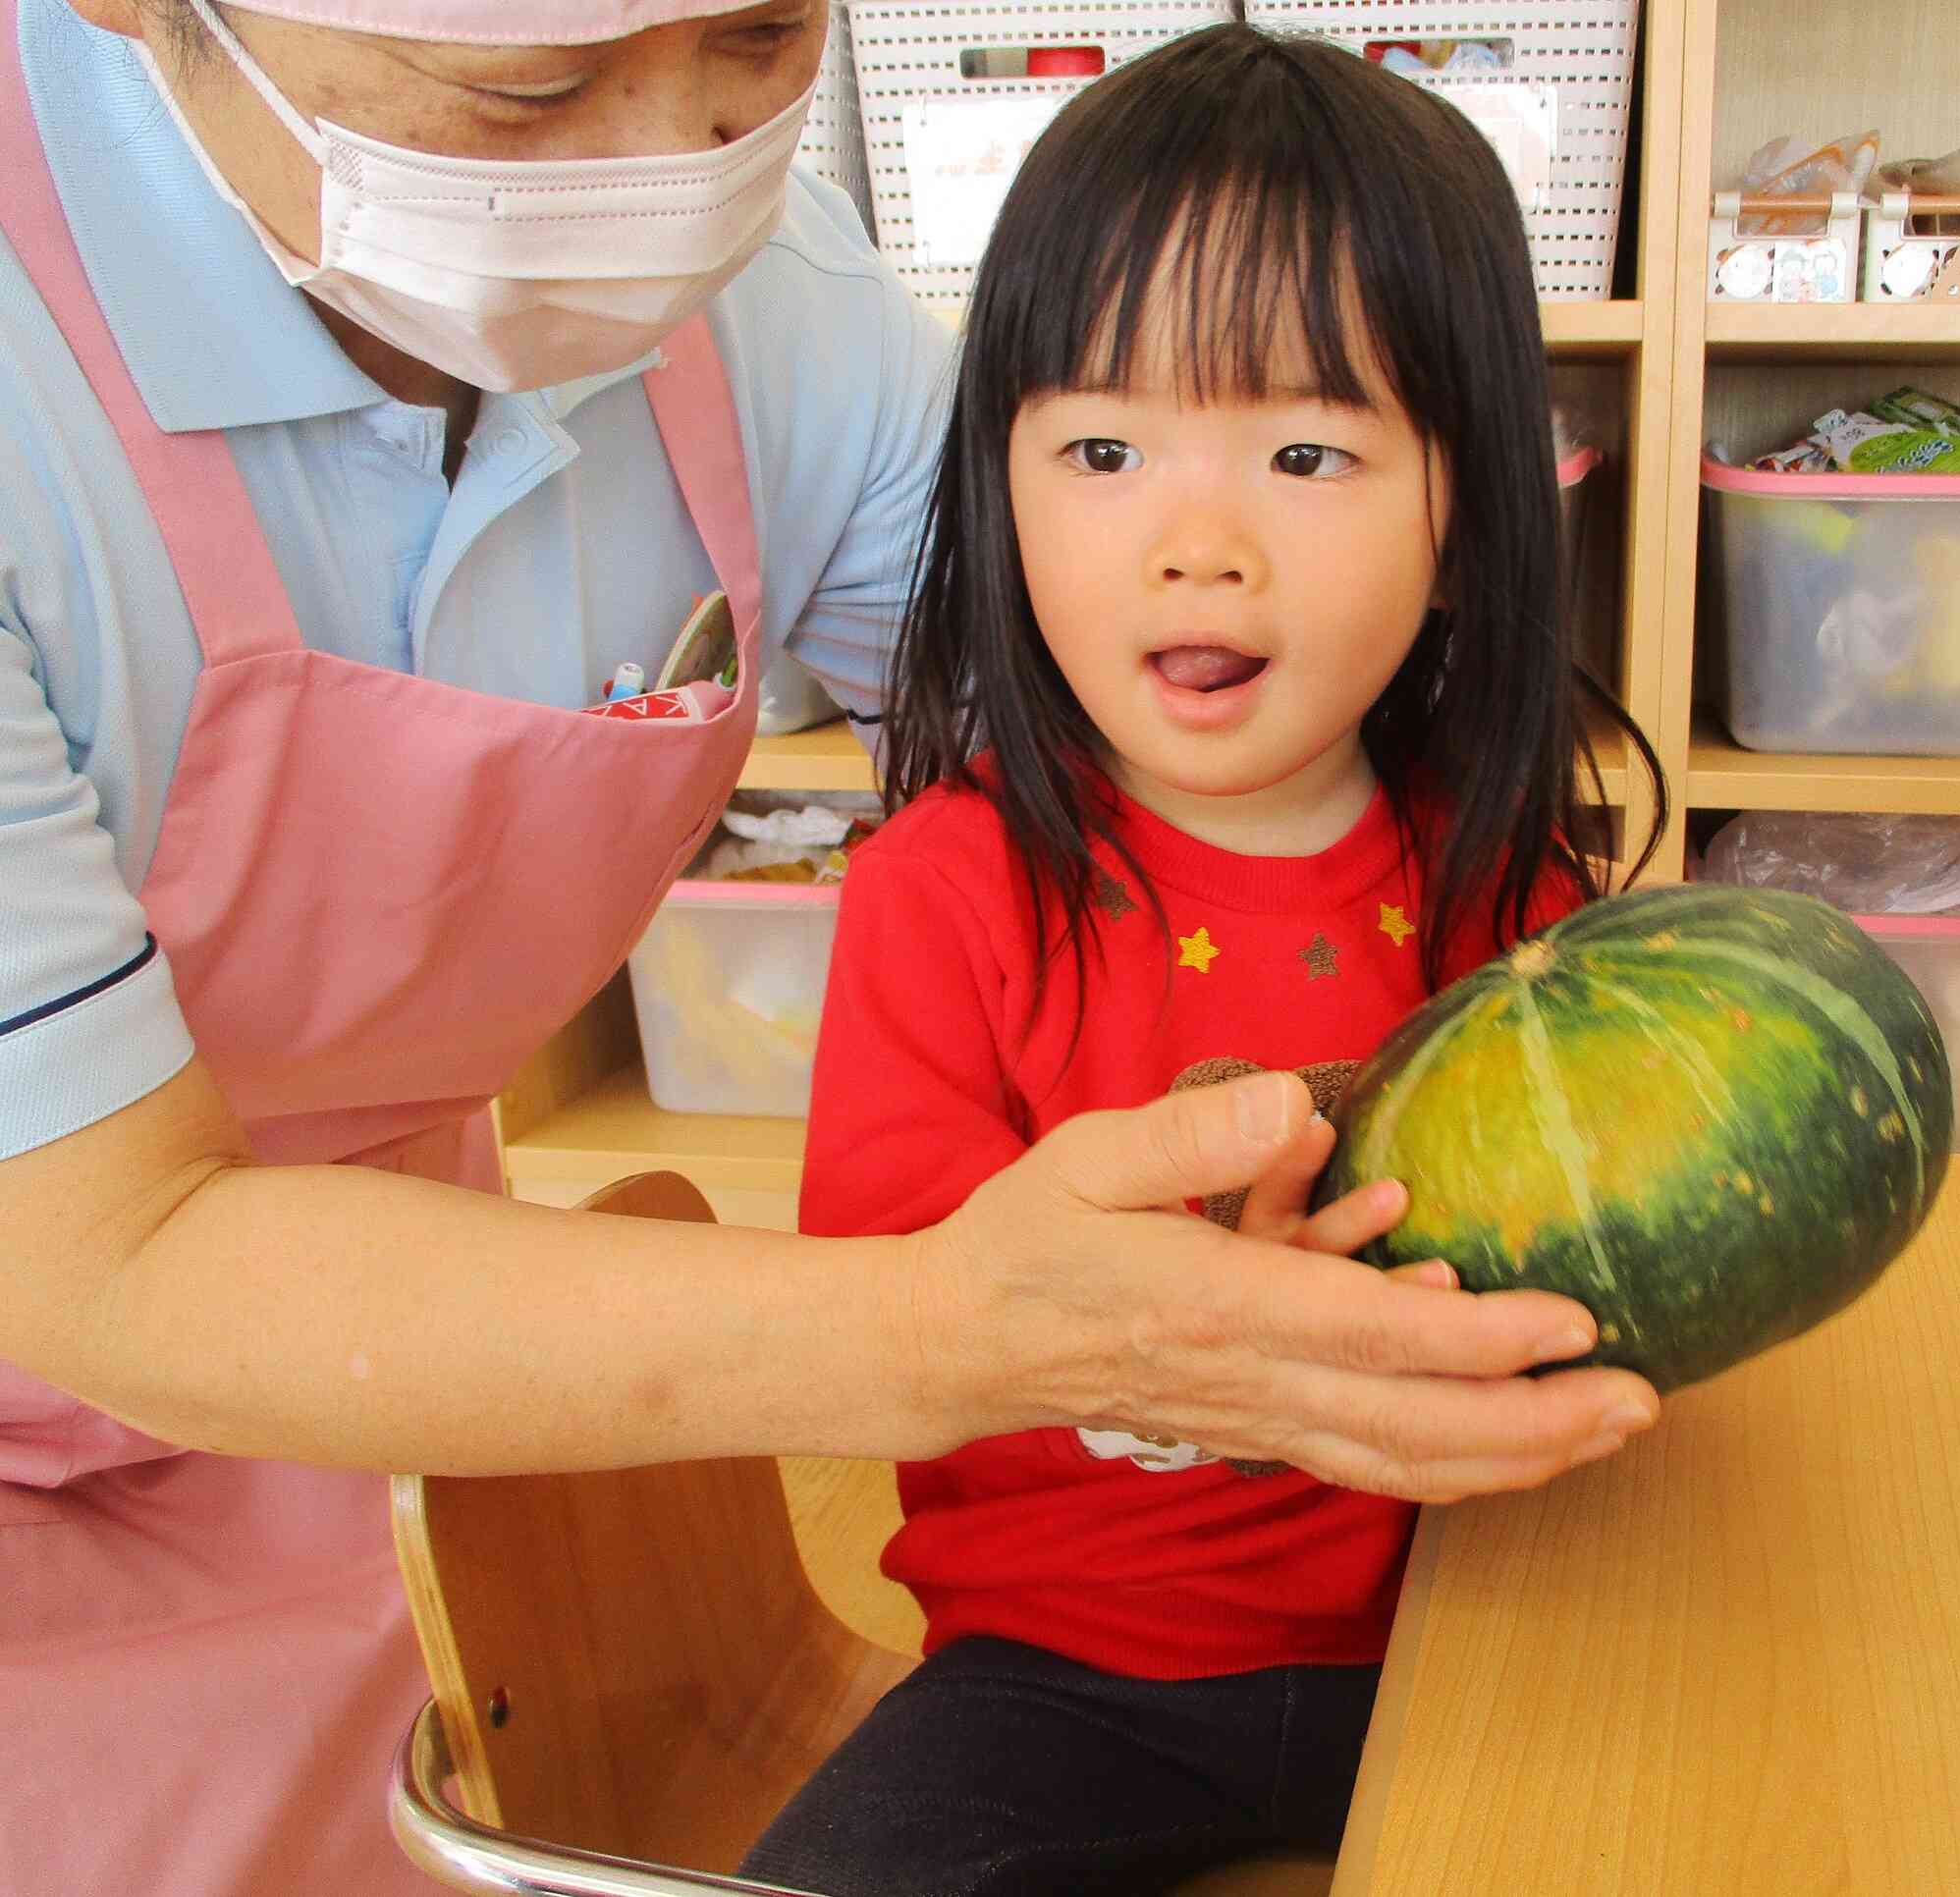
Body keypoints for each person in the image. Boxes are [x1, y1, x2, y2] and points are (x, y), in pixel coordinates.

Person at [0, 4, 1664, 1892]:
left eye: (761, 36)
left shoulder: (784, 310)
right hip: (118, 1374)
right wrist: (1074, 1343)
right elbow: (99, 1252)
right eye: (532, 86)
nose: (669, 154)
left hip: (447, 1348)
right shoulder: (950, 898)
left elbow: (1071, 670)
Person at [744, 27, 1673, 1895]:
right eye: (1101, 446)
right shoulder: (946, 889)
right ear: (996, 489)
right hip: (1060, 1681)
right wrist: (1167, 1330)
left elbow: (1612, 1267)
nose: (1196, 545)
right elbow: (892, 1320)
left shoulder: (1513, 897)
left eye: (1309, 448)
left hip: (1475, 1628)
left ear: (1469, 502)